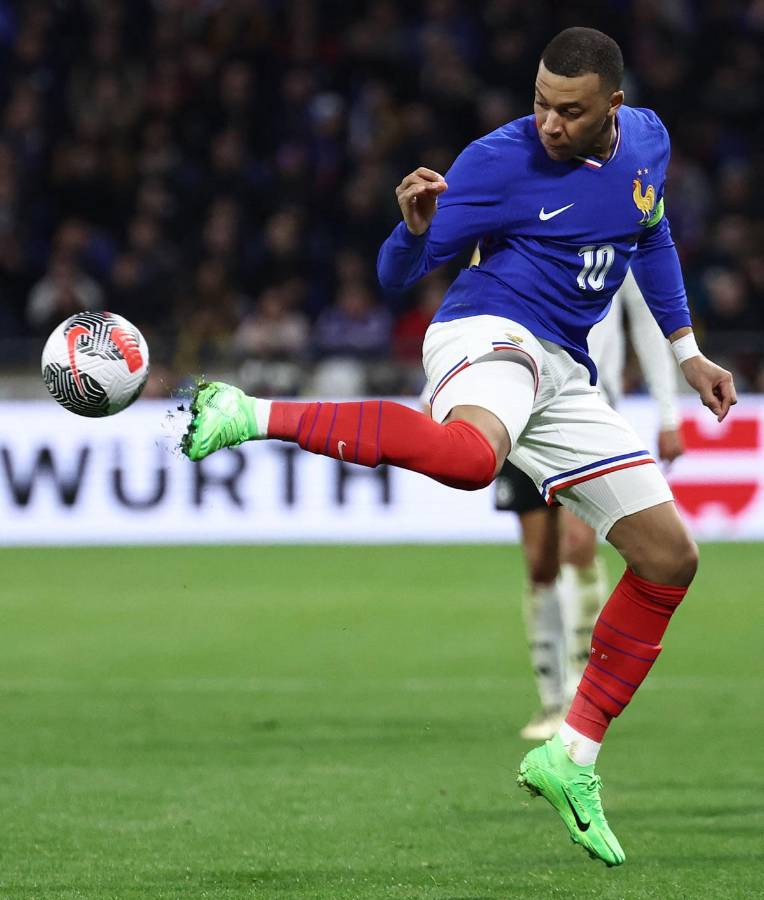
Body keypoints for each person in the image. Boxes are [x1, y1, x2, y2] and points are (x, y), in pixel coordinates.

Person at [181, 27, 736, 866]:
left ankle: (571, 755)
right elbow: (396, 278)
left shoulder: (649, 144)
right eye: (541, 102)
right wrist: (410, 233)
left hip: (566, 371)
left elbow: (649, 236)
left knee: (668, 557)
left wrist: (688, 351)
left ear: (613, 109)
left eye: (569, 111)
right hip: (486, 333)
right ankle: (248, 411)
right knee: (473, 457)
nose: (548, 122)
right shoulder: (495, 161)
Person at [502, 268, 685, 741]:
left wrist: (668, 413)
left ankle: (580, 695)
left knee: (578, 547)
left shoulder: (621, 222)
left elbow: (648, 322)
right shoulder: (520, 220)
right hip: (518, 408)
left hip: (590, 408)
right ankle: (549, 697)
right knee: (538, 561)